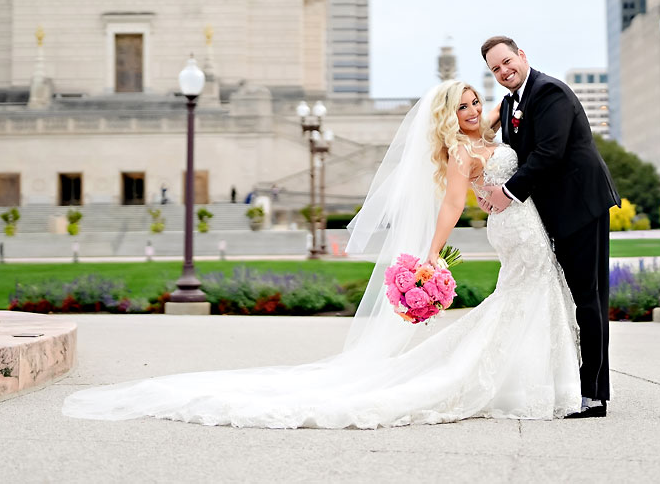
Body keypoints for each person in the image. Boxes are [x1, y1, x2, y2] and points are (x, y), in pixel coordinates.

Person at [62, 80, 581, 428]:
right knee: (524, 295)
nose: (471, 110)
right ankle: (525, 385)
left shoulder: (490, 127)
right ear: (449, 117)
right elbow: (449, 209)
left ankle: (536, 380)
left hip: (525, 223)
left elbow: (516, 105)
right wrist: (429, 258)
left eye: (474, 101)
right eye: (462, 106)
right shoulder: (462, 149)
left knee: (530, 295)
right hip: (511, 228)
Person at [479, 36, 619, 418]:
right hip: (551, 214)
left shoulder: (550, 91)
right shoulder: (510, 105)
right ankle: (576, 385)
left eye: (508, 61)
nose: (504, 71)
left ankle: (594, 394)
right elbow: (514, 156)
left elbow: (549, 153)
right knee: (570, 298)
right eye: (496, 69)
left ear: (522, 56)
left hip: (582, 206)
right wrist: (486, 187)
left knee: (588, 298)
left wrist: (507, 192)